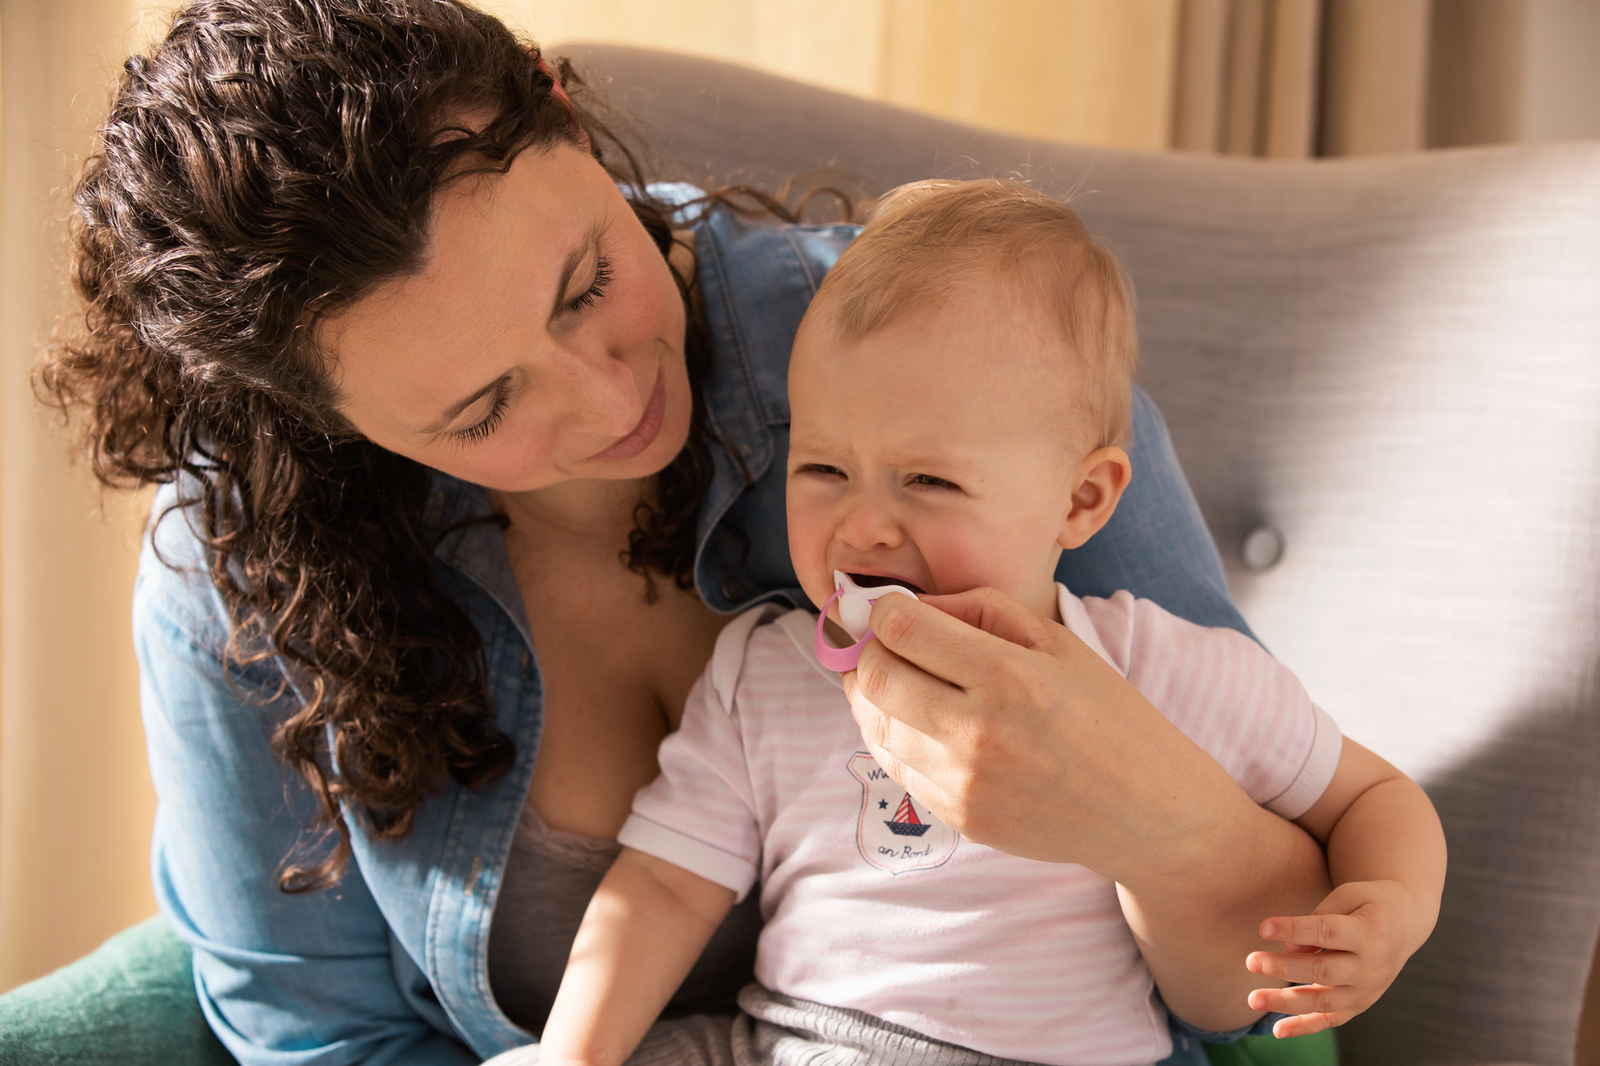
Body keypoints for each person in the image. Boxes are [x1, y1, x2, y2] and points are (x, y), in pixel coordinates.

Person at [41, 2, 1342, 1063]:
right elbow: (320, 1036)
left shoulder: (948, 371)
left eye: (586, 283)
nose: (613, 403)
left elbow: (1265, 958)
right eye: (483, 406)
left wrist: (1146, 815)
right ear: (331, 423)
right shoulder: (248, 552)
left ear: (559, 99)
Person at [534, 181, 1447, 1066]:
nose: (863, 525)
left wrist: (1393, 906)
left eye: (928, 481)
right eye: (822, 471)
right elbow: (659, 887)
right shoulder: (759, 673)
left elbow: (1370, 797)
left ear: (1081, 500)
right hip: (789, 1041)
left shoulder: (1160, 671)